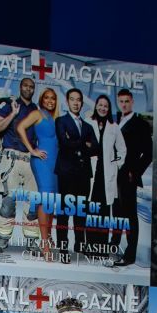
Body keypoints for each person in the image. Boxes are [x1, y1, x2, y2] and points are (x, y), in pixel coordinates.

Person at [0, 76, 41, 254]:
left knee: (33, 204)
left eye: (31, 86)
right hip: (11, 159)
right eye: (25, 85)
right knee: (8, 203)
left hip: (30, 161)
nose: (28, 89)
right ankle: (3, 240)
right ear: (20, 87)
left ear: (34, 90)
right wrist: (13, 113)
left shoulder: (36, 111)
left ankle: (32, 241)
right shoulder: (9, 105)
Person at [15, 88, 59, 259]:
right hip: (42, 162)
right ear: (41, 100)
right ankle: (44, 243)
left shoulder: (54, 117)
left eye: (53, 98)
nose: (50, 101)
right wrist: (32, 150)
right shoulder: (37, 114)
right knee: (44, 199)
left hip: (55, 162)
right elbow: (20, 127)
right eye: (47, 97)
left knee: (51, 201)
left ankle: (48, 236)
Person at [54, 89, 97, 260]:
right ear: (67, 101)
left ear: (82, 103)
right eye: (72, 99)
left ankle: (80, 245)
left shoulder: (88, 126)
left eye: (78, 100)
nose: (76, 103)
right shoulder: (61, 121)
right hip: (66, 173)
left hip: (84, 174)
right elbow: (64, 143)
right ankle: (63, 249)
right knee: (64, 213)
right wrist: (84, 144)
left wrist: (75, 142)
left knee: (81, 213)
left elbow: (96, 148)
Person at [112, 90, 153, 268]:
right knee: (116, 213)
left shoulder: (140, 124)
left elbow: (149, 153)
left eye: (127, 101)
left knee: (129, 216)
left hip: (128, 176)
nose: (124, 104)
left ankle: (130, 255)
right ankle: (113, 247)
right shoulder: (114, 121)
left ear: (132, 102)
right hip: (112, 174)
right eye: (121, 101)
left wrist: (134, 172)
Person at [86, 94, 126, 259]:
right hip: (91, 174)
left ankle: (101, 249)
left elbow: (122, 150)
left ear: (109, 109)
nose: (102, 108)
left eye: (106, 106)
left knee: (103, 213)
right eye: (100, 105)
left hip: (106, 176)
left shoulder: (114, 127)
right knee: (91, 212)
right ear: (96, 106)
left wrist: (116, 164)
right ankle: (90, 247)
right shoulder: (88, 123)